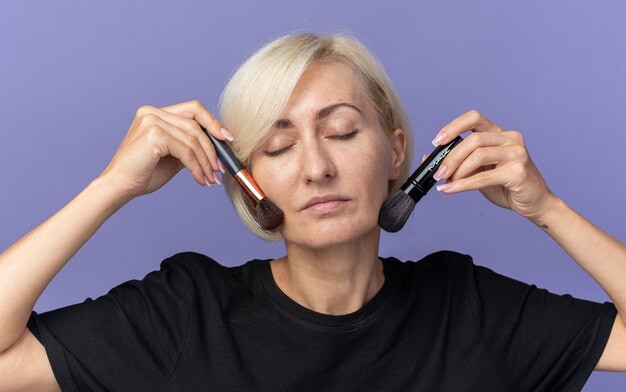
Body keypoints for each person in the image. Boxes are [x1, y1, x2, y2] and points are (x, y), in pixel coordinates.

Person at [0, 32, 625, 392]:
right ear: (248, 182)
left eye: (344, 132)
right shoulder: (188, 312)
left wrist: (549, 210)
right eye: (277, 146)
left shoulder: (468, 306)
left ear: (396, 153)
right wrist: (111, 186)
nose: (317, 167)